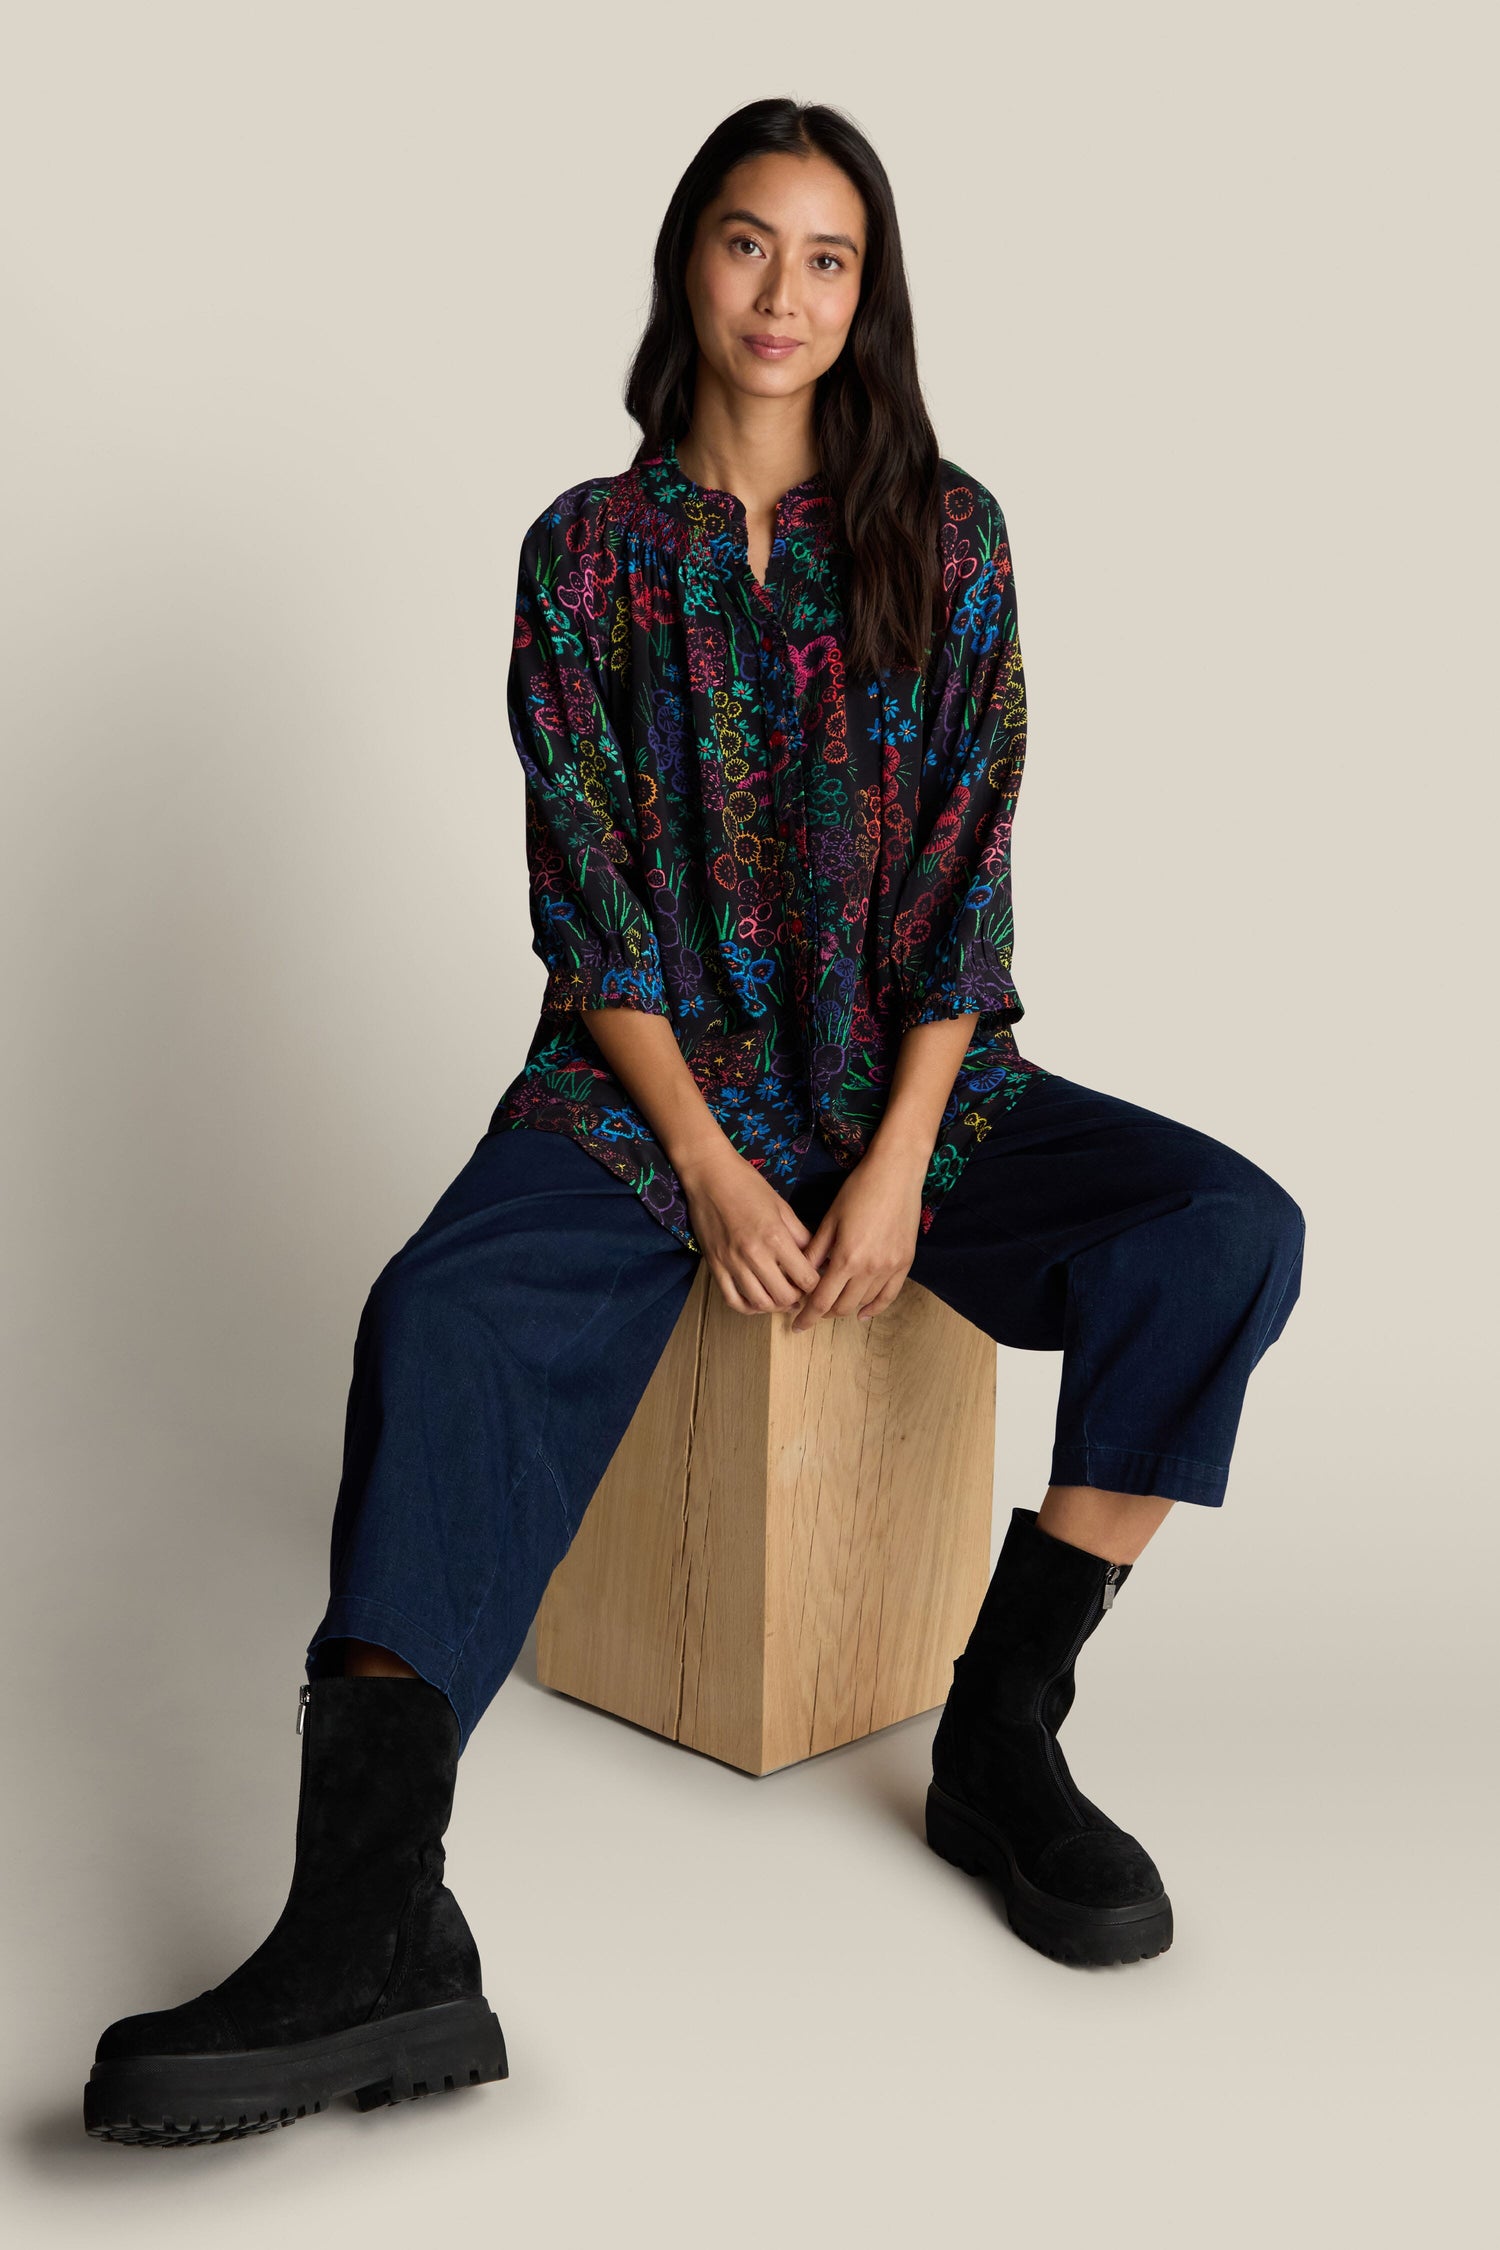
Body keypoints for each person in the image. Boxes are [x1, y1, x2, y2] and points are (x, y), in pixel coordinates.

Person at [83, 97, 1305, 2148]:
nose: (785, 294)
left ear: (868, 296)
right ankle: (376, 1922)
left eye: (829, 259)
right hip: (648, 1103)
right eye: (750, 244)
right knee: (434, 1322)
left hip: (913, 1083)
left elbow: (966, 890)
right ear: (687, 263)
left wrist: (904, 1153)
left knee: (1225, 1231)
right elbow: (593, 909)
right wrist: (723, 1165)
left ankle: (1003, 1738)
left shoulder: (952, 536)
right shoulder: (585, 557)